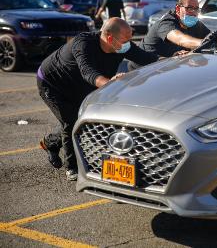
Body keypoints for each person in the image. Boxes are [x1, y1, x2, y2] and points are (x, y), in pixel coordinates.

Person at [37, 18, 158, 181]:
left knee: (77, 118)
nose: (129, 44)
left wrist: (174, 57)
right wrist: (111, 84)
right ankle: (72, 167)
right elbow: (88, 73)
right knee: (71, 122)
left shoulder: (121, 46)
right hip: (53, 83)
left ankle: (49, 143)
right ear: (109, 38)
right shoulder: (83, 43)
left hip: (78, 84)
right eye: (126, 40)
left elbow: (147, 58)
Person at [127, 0, 211, 71]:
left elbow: (212, 37)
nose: (193, 13)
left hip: (166, 67)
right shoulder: (166, 23)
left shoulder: (195, 24)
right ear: (178, 9)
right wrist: (204, 42)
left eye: (196, 9)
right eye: (189, 8)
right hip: (142, 71)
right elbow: (181, 39)